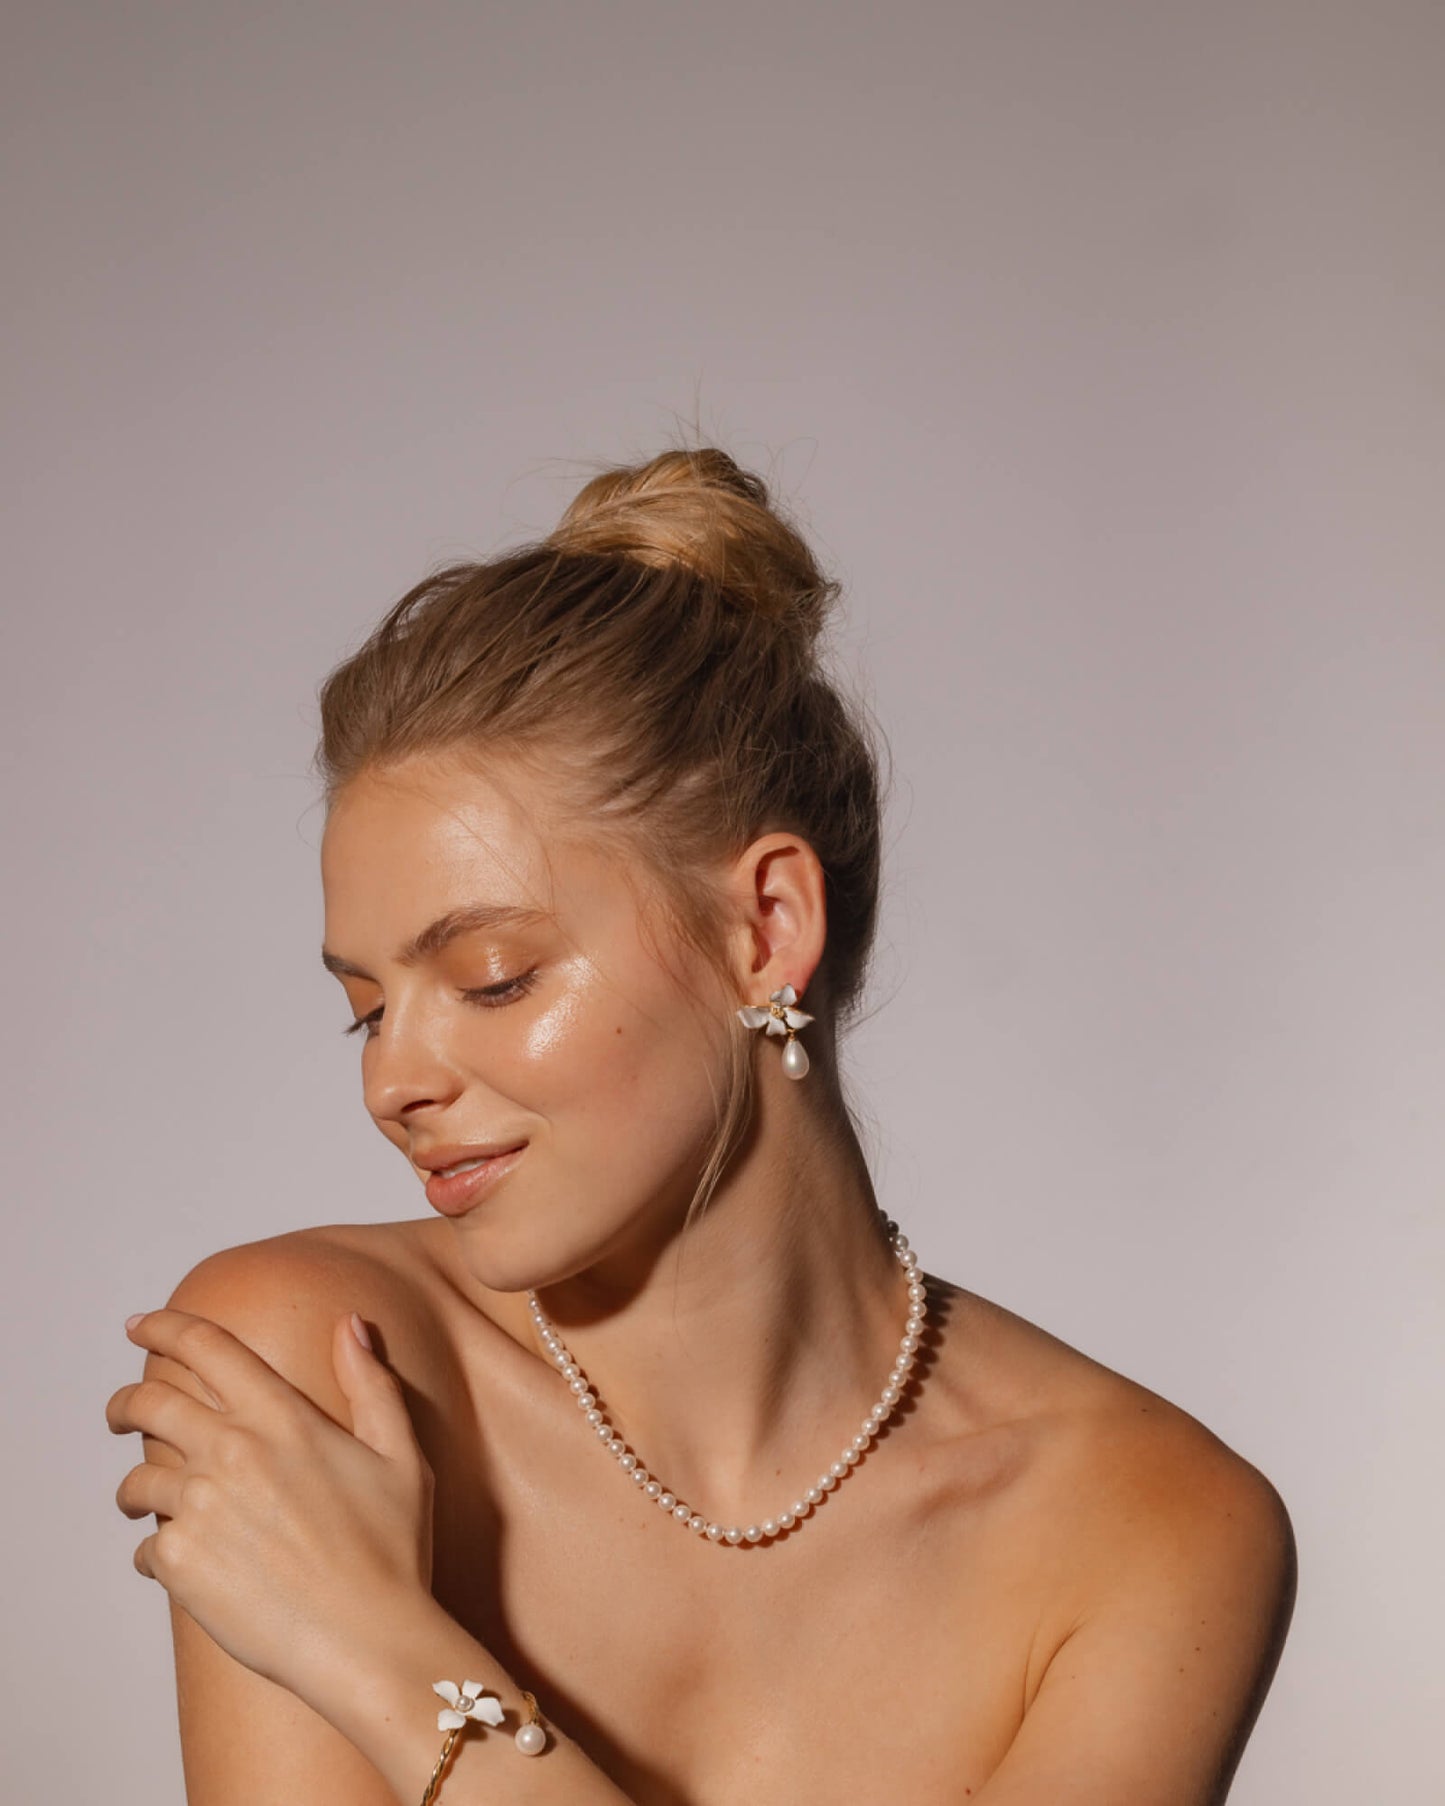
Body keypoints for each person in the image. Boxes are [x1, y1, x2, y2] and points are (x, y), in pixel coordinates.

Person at [106, 447, 1295, 1805]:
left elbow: (398, 1682)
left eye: (493, 976)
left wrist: (388, 1660)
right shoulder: (317, 1363)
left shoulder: (1148, 1529)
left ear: (760, 928)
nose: (393, 1081)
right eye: (366, 1009)